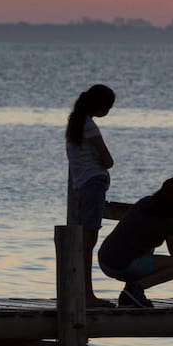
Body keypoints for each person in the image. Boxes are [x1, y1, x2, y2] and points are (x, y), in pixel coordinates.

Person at [97, 177, 173, 308]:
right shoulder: (167, 221)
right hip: (122, 265)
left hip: (104, 261)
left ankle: (129, 294)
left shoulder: (145, 202)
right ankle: (136, 289)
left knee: (145, 252)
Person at [66, 84, 116, 308]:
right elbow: (108, 160)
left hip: (81, 185)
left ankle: (79, 290)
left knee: (82, 241)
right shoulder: (91, 128)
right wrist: (103, 163)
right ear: (101, 106)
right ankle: (87, 294)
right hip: (93, 184)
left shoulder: (75, 124)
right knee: (89, 241)